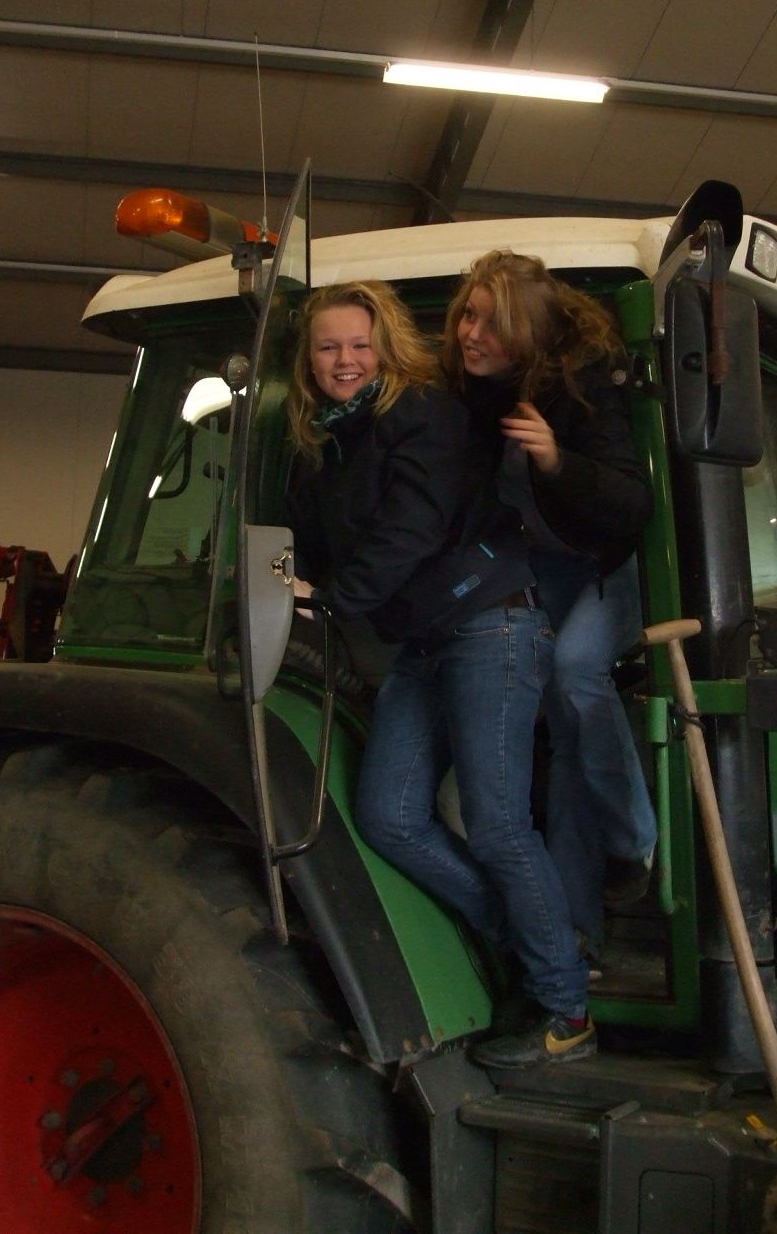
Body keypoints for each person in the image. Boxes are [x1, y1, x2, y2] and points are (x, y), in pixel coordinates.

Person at [284, 280, 593, 1067]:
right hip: (426, 640)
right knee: (387, 816)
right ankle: (525, 943)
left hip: (491, 623)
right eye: (329, 347)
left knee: (496, 823)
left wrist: (331, 601)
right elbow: (324, 545)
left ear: (385, 346)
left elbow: (410, 529)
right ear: (309, 360)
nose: (346, 360)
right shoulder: (327, 441)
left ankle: (566, 1010)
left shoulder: (422, 415)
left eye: (360, 344)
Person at [442, 251, 656, 968]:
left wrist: (557, 458)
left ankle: (633, 842)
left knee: (575, 673)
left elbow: (631, 505)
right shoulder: (469, 395)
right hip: (535, 572)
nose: (472, 333)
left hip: (603, 567)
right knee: (561, 746)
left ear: (528, 332)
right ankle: (576, 933)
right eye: (468, 314)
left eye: (492, 324)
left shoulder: (583, 386)